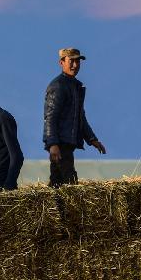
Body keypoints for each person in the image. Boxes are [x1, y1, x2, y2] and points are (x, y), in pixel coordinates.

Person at [44, 47, 106, 186]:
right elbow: (50, 117)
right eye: (71, 61)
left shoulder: (75, 86)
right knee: (69, 182)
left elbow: (80, 117)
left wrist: (92, 139)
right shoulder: (58, 86)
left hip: (67, 144)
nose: (75, 65)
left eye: (78, 62)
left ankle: (54, 207)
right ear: (62, 62)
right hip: (60, 144)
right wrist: (52, 144)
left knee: (58, 182)